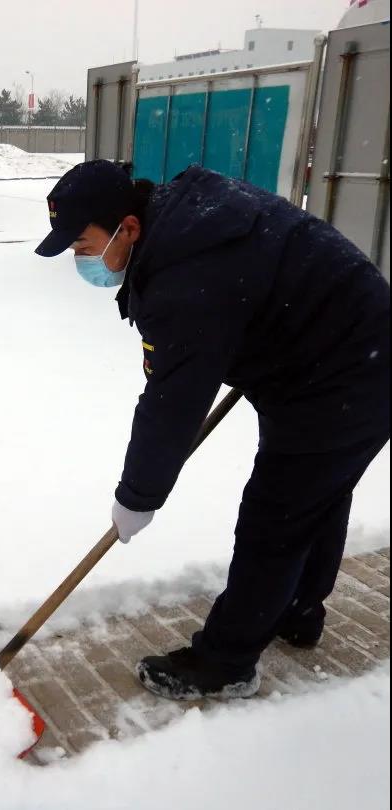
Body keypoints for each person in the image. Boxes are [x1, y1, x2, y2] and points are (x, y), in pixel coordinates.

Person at [35, 160, 390, 700]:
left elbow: (171, 405)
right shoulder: (187, 219)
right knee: (315, 494)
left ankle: (226, 662)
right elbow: (252, 283)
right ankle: (296, 609)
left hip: (347, 372)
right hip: (331, 354)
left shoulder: (187, 276)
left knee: (277, 518)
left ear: (128, 227)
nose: (79, 258)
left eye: (82, 244)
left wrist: (137, 497)